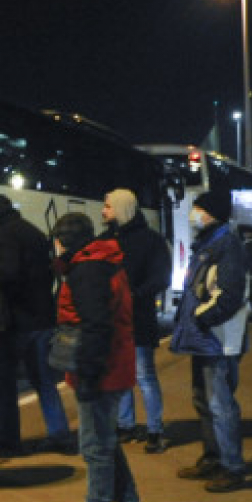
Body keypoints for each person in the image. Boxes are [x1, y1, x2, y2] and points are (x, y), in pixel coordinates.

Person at [50, 212, 145, 502]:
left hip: (101, 370)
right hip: (113, 364)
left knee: (95, 448)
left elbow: (96, 326)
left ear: (62, 241)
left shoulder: (87, 271)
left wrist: (89, 375)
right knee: (106, 442)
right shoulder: (101, 262)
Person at [0, 193, 72, 456]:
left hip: (16, 322)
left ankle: (9, 438)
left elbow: (8, 275)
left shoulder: (4, 236)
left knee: (4, 380)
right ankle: (59, 433)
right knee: (43, 380)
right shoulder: (31, 231)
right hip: (42, 317)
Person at [168, 187, 252, 492]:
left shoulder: (226, 245)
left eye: (199, 208)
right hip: (205, 337)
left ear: (212, 213)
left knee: (220, 404)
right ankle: (213, 458)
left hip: (219, 338)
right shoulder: (208, 242)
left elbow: (228, 295)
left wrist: (201, 318)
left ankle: (232, 467)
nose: (194, 213)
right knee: (203, 400)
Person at [101, 189, 170, 451]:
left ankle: (154, 430)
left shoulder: (150, 240)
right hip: (115, 319)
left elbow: (160, 278)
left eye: (108, 206)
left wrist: (134, 295)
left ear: (121, 208)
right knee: (123, 375)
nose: (103, 211)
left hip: (137, 318)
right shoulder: (107, 239)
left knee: (143, 375)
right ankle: (127, 425)